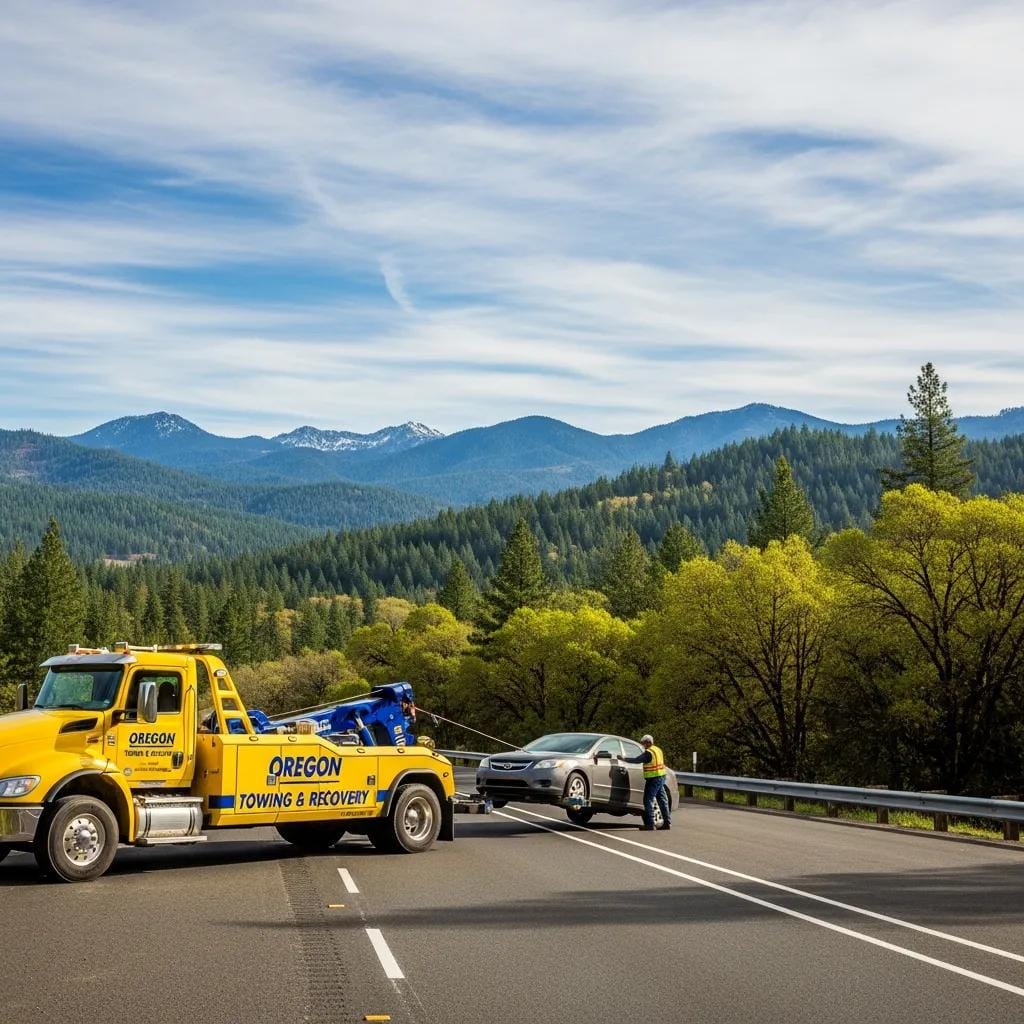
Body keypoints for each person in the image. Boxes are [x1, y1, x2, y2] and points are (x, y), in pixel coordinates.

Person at [624, 734, 671, 831]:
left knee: (648, 800)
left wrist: (624, 759)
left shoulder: (649, 752)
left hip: (653, 779)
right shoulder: (658, 749)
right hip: (661, 776)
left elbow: (637, 760)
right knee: (662, 800)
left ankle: (650, 824)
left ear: (648, 742)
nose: (643, 745)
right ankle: (667, 822)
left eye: (644, 743)